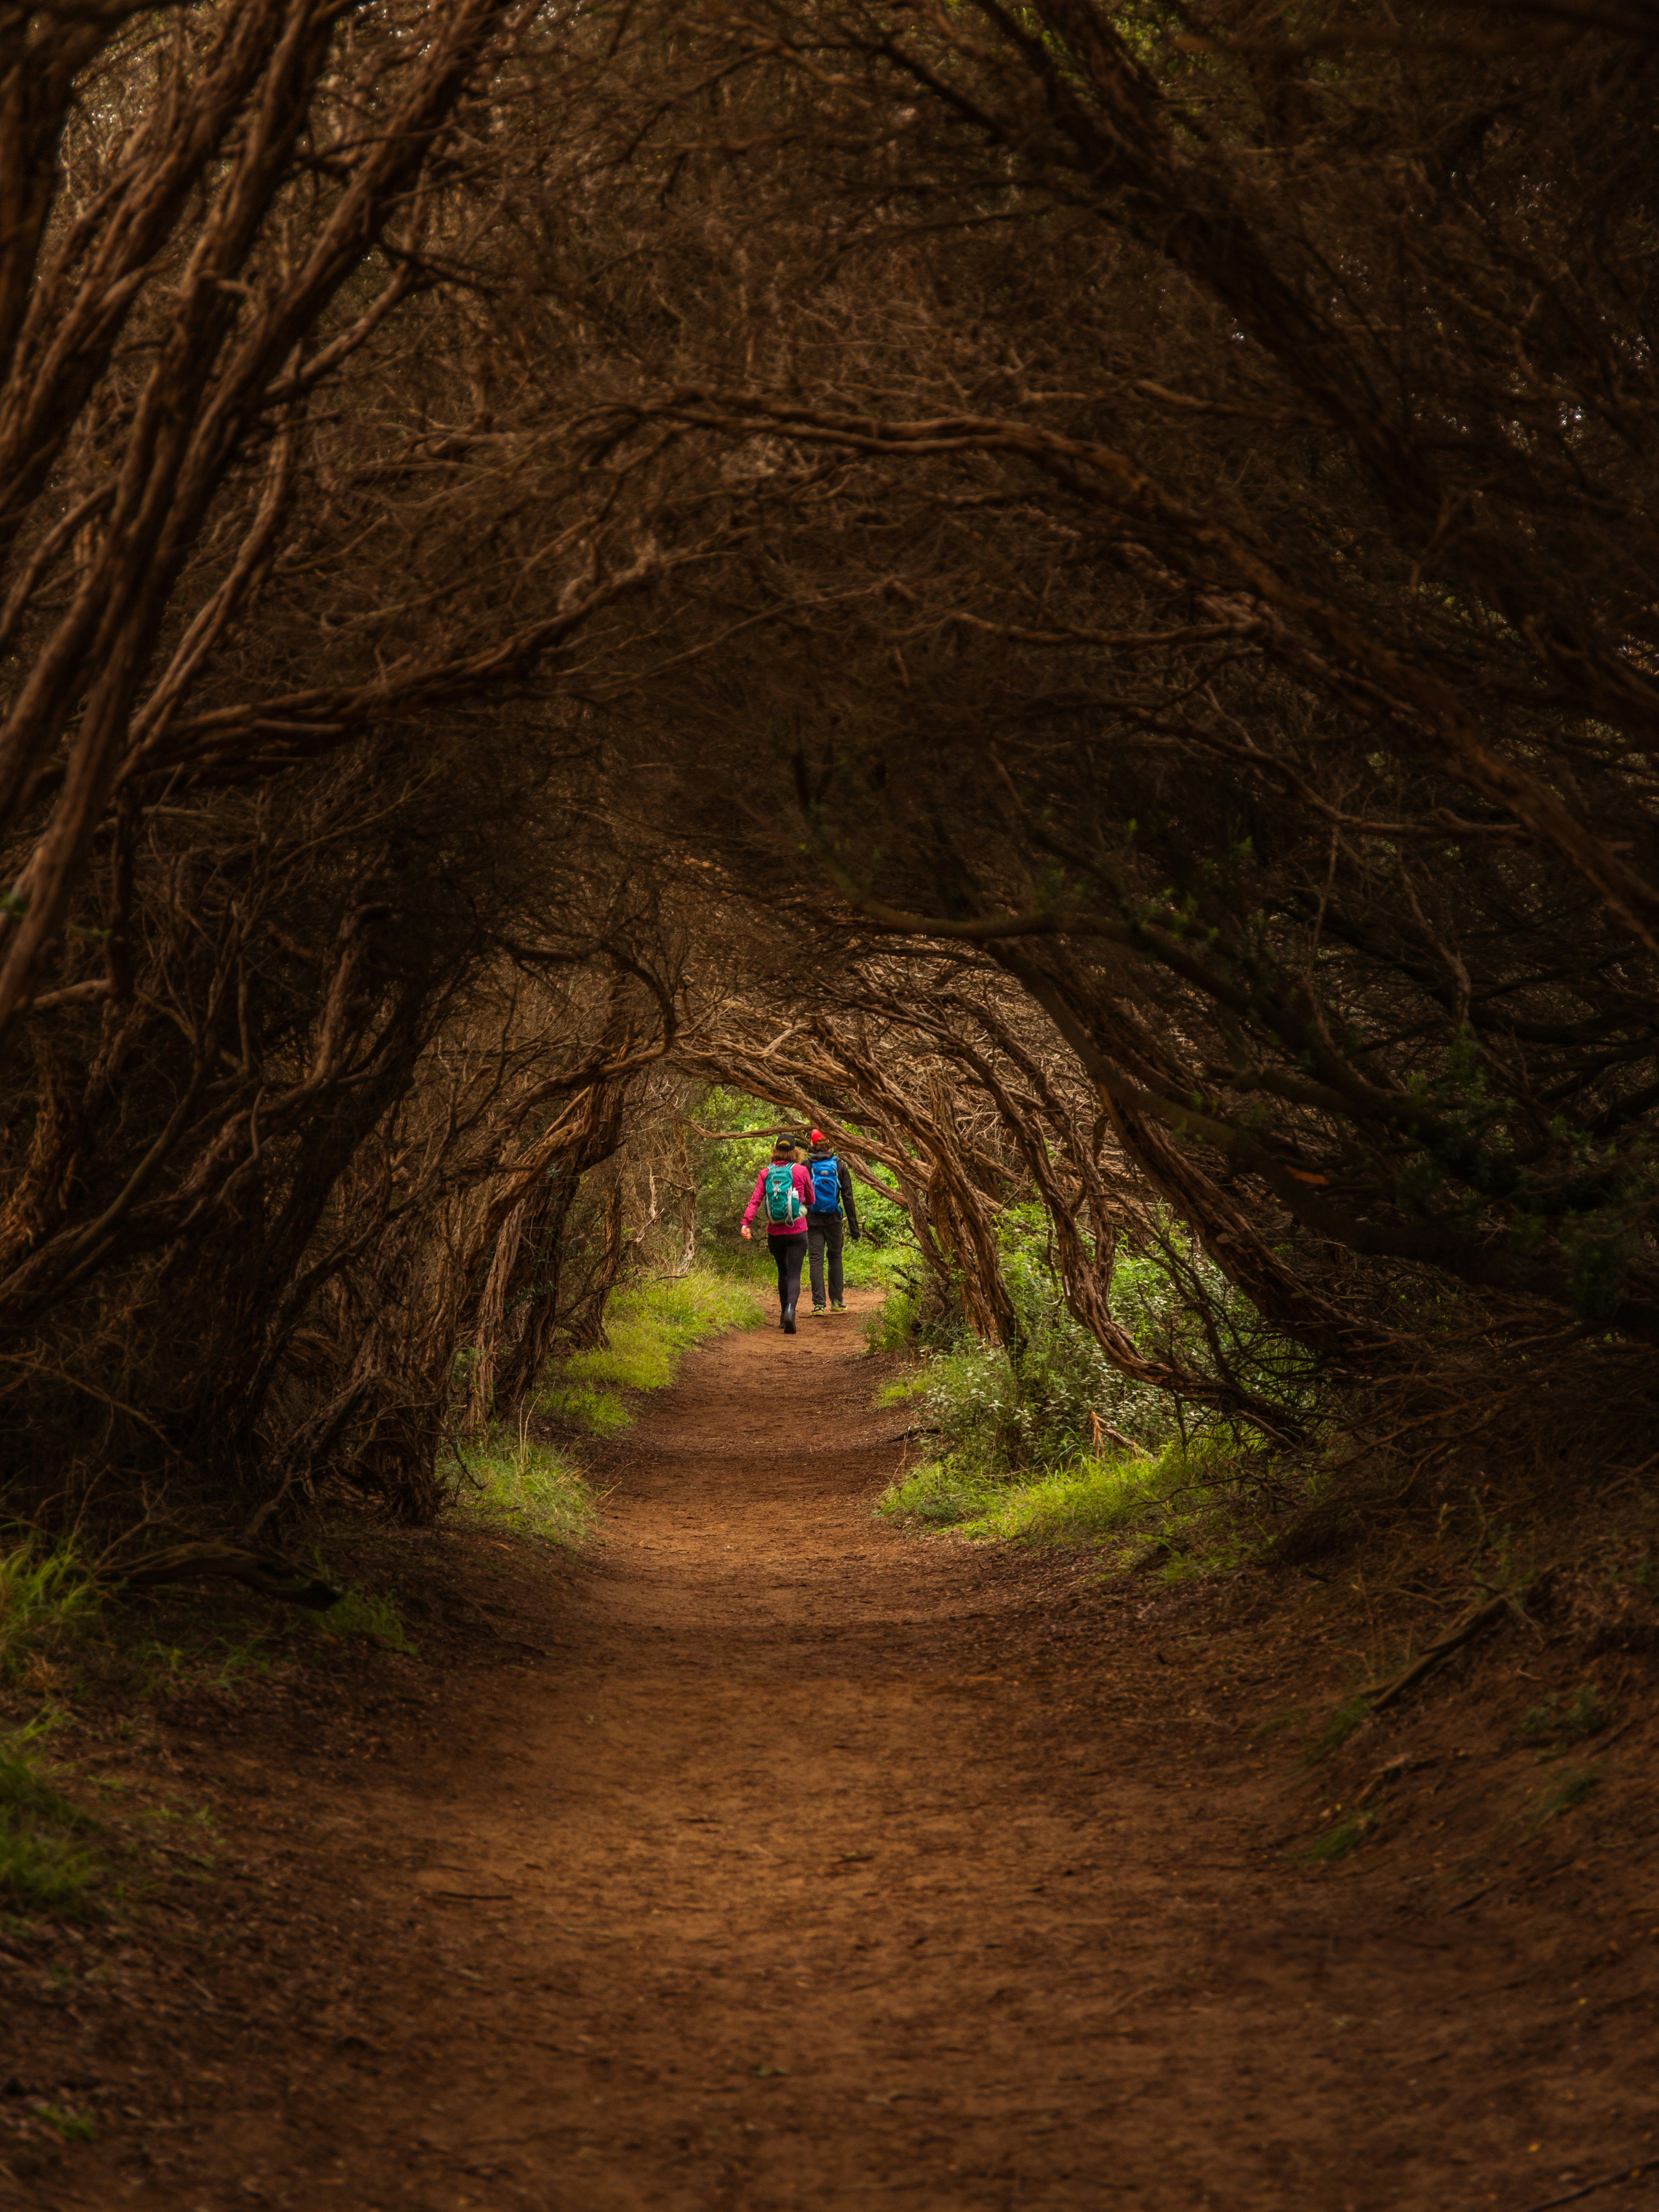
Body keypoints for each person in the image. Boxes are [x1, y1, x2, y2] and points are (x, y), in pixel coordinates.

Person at [739, 1138, 815, 1334]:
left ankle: (783, 1316)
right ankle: (791, 1311)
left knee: (783, 1272)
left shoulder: (766, 1173)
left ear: (775, 1151)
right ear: (794, 1152)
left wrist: (746, 1223)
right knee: (795, 1275)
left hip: (775, 1232)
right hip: (798, 1230)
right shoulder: (801, 1171)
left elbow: (756, 1200)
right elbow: (812, 1199)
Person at [803, 1127, 861, 1315]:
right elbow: (848, 1197)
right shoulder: (839, 1165)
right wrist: (854, 1227)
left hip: (812, 1221)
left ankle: (819, 1305)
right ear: (830, 1143)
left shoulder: (806, 1165)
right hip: (834, 1219)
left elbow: (799, 1195)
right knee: (835, 1258)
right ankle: (837, 1302)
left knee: (816, 1261)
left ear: (812, 1144)